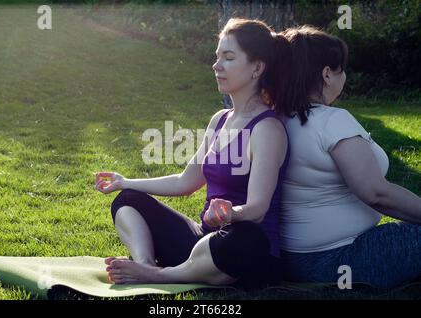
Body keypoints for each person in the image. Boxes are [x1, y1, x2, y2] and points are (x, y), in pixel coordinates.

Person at [93, 18, 294, 289]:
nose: (216, 65)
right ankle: (144, 264)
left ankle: (160, 276)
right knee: (128, 200)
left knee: (247, 239)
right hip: (203, 243)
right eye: (217, 56)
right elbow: (185, 182)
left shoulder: (267, 129)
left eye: (228, 57)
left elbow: (257, 209)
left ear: (256, 67)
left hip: (242, 253)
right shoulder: (220, 120)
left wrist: (229, 214)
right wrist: (125, 182)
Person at [279, 25, 421, 289]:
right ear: (327, 74)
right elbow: (376, 193)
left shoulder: (276, 120)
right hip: (342, 258)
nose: (344, 76)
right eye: (341, 69)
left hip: (294, 259)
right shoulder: (332, 121)